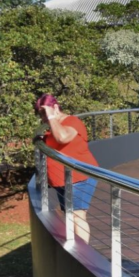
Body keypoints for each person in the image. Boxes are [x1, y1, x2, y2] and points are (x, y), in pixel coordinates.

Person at [34, 93, 100, 242]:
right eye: (41, 114)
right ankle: (73, 249)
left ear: (55, 107)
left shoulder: (73, 121)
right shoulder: (52, 127)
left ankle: (83, 256)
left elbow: (62, 138)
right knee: (69, 215)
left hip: (80, 176)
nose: (43, 118)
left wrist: (51, 117)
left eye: (45, 112)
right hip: (64, 179)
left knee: (77, 215)